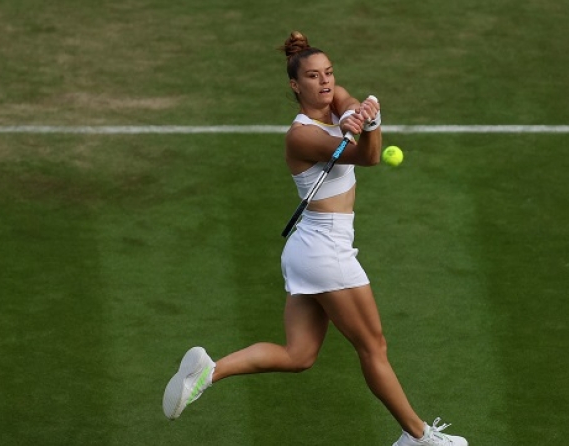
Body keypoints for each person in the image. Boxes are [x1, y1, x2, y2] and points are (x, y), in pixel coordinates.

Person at [162, 31, 468, 446]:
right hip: (325, 251)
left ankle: (208, 372)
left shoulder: (332, 98)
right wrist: (369, 125)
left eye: (328, 72)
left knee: (299, 355)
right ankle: (417, 437)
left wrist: (357, 114)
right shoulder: (301, 135)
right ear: (295, 85)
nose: (325, 81)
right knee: (373, 347)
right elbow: (369, 156)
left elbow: (345, 100)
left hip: (309, 249)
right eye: (313, 76)